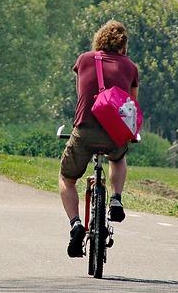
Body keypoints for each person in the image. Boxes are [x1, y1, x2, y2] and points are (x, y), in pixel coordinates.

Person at [59, 20, 139, 258]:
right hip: (115, 133)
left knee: (67, 177)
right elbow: (131, 105)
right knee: (118, 158)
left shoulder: (84, 59)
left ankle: (75, 224)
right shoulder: (131, 67)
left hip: (85, 129)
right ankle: (115, 198)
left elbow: (80, 93)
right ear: (123, 45)